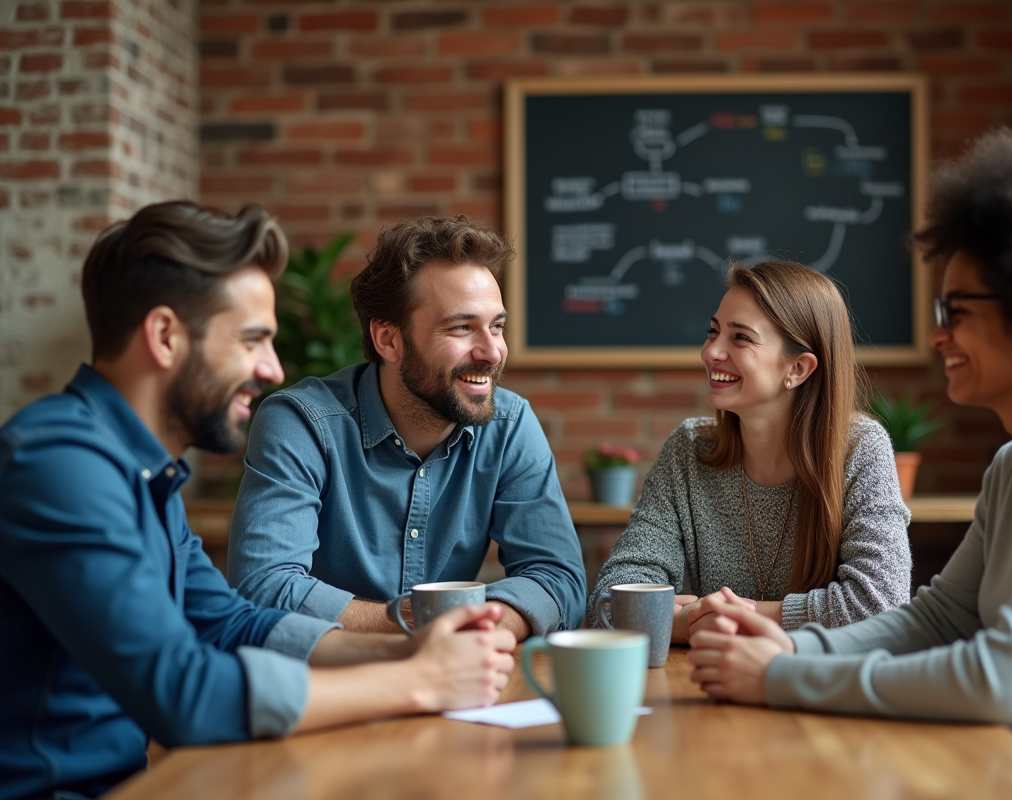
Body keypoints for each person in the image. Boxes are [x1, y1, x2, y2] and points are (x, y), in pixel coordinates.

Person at [687, 129, 1012, 800]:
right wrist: (794, 648)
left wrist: (781, 676)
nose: (937, 335)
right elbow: (940, 620)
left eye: (957, 312)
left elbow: (1004, 681)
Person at [0, 202, 516, 800]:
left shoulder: (139, 469)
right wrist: (419, 682)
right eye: (252, 340)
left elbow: (229, 623)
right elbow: (184, 694)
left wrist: (401, 650)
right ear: (165, 337)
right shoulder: (58, 465)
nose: (271, 369)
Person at [227, 216, 586, 639]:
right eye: (462, 327)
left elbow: (558, 580)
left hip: (454, 669)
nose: (492, 352)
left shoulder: (509, 426)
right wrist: (427, 626)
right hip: (329, 673)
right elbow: (264, 587)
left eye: (497, 326)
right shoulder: (302, 423)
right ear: (389, 340)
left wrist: (478, 626)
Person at [588, 260, 912, 642]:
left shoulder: (860, 449)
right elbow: (610, 599)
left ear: (798, 368)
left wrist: (733, 616)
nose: (711, 352)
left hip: (818, 675)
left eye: (740, 338)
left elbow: (880, 603)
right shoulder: (688, 450)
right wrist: (685, 623)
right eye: (713, 332)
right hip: (716, 672)